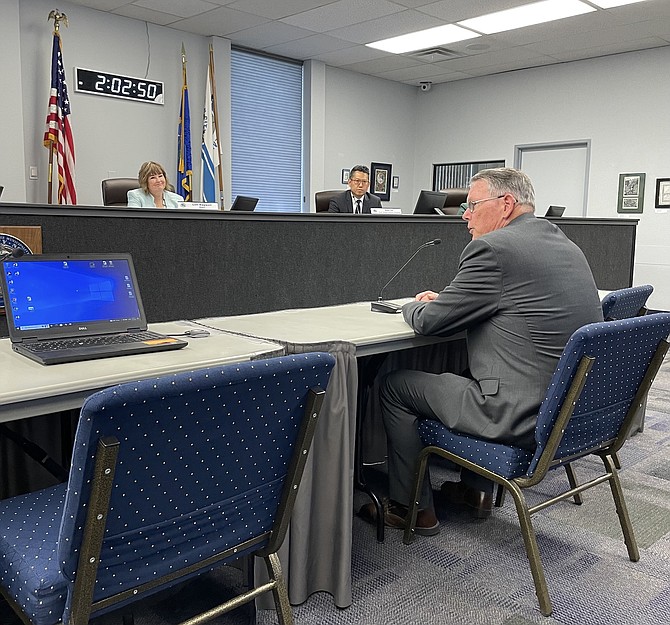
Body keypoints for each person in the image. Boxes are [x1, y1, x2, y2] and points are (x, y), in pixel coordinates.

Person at [359, 167, 603, 536]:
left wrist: (410, 304)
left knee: (396, 386)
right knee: (469, 370)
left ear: (505, 204)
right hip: (570, 410)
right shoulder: (564, 243)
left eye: (472, 205)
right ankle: (475, 493)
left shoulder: (492, 248)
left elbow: (428, 323)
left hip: (518, 414)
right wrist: (453, 302)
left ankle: (412, 510)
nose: (465, 216)